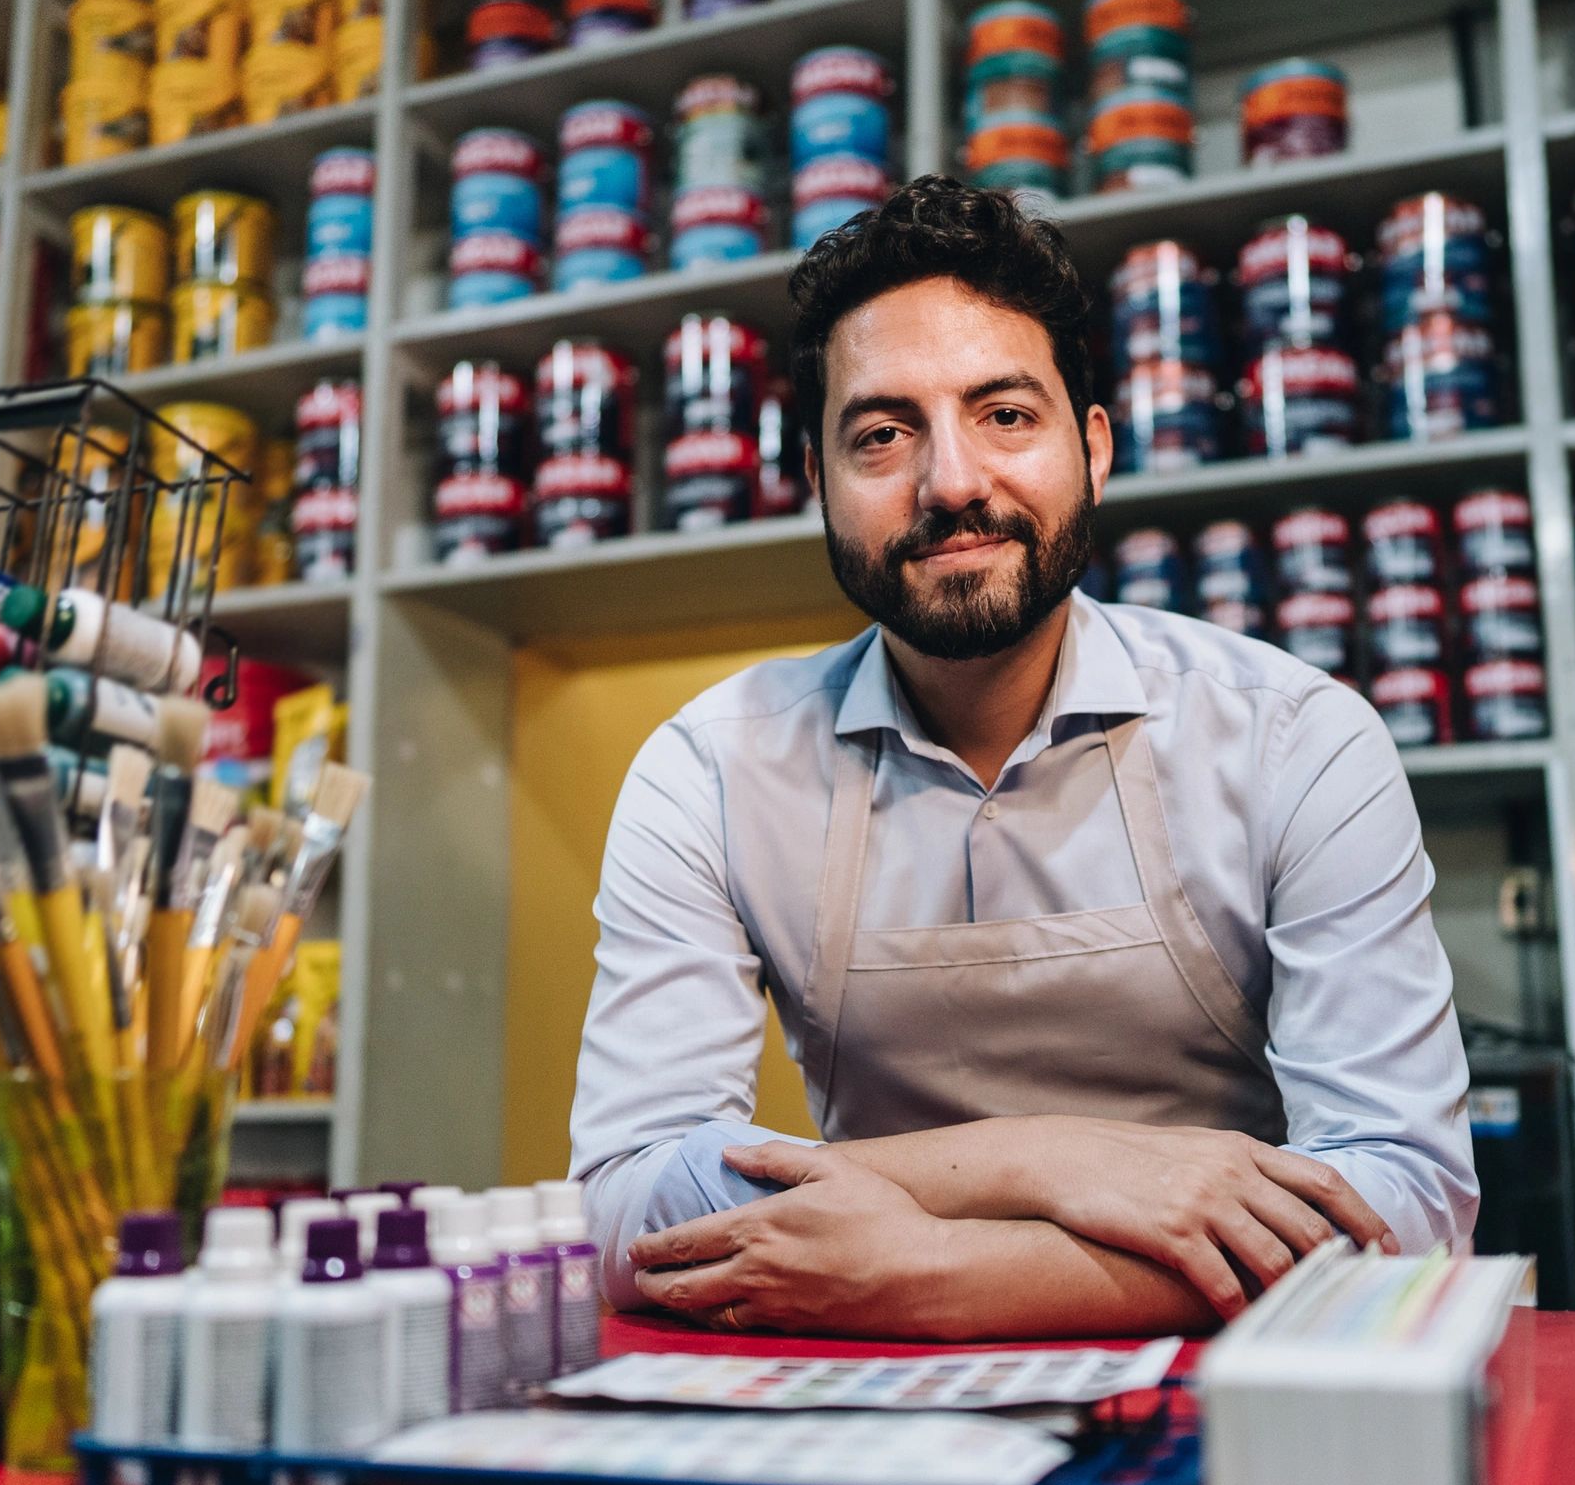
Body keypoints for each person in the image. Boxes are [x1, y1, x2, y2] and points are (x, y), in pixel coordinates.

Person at [568, 176, 1476, 1338]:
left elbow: (1410, 1206)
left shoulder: (1293, 737)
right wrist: (1049, 1159)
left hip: (1223, 1395)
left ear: (1092, 449)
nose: (951, 482)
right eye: (883, 434)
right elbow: (629, 1209)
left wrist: (930, 1275)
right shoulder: (710, 770)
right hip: (863, 1405)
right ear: (818, 484)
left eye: (1006, 415)